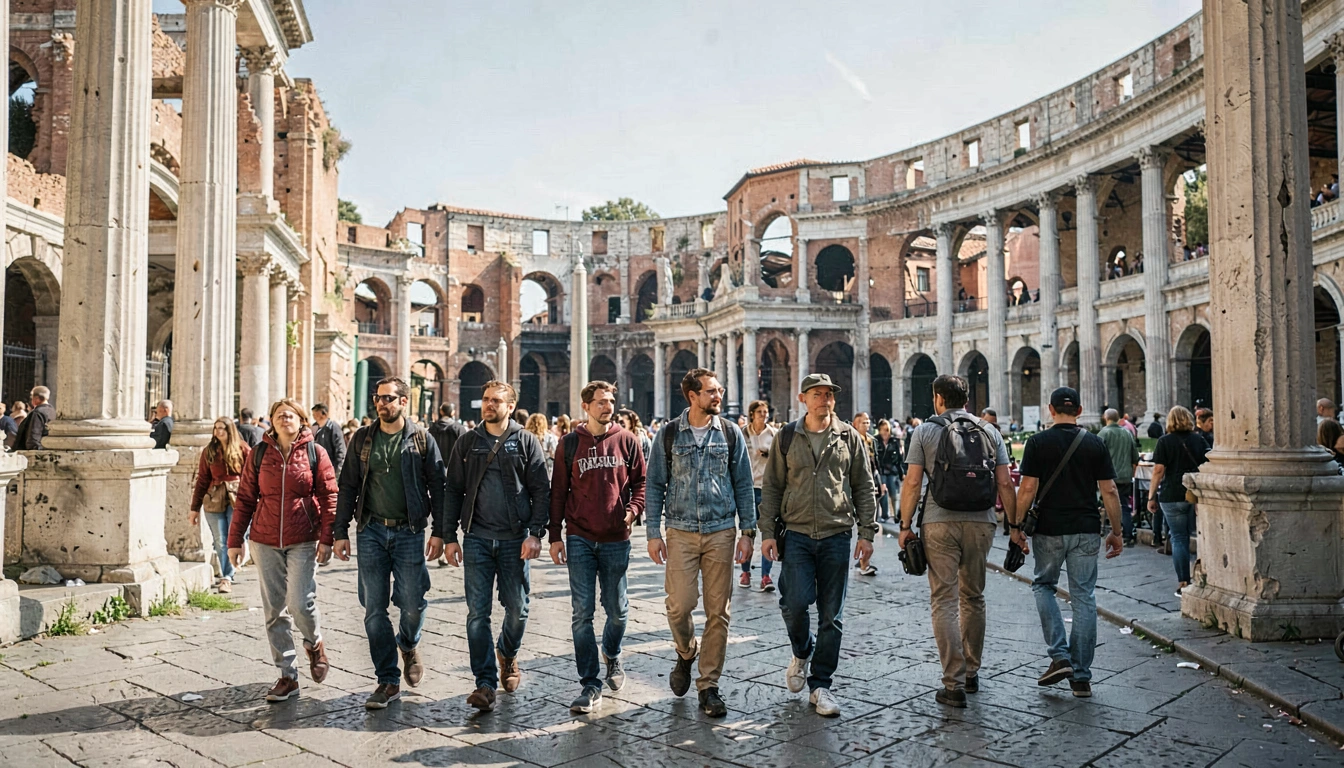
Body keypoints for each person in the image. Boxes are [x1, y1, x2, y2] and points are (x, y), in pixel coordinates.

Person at [760, 373, 876, 718]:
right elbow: (772, 488)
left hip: (836, 534)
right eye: (817, 394)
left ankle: (821, 683)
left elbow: (864, 487)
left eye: (829, 394)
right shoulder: (786, 437)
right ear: (803, 398)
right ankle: (801, 650)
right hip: (795, 533)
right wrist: (767, 531)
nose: (824, 399)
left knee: (832, 616)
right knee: (793, 603)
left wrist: (867, 533)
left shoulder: (849, 437)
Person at [897, 375, 1015, 708]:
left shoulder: (925, 431)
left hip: (938, 521)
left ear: (937, 398)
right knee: (974, 597)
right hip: (982, 522)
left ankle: (953, 683)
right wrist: (1016, 526)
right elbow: (1006, 484)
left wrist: (904, 526)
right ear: (967, 400)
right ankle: (972, 673)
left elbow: (912, 482)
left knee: (944, 600)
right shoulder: (990, 431)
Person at [646, 368, 755, 718]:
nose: (718, 396)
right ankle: (686, 651)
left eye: (719, 390)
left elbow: (743, 484)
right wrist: (652, 532)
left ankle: (709, 685)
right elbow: (653, 486)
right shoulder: (668, 435)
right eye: (710, 391)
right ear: (692, 396)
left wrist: (748, 532)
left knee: (718, 612)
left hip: (722, 530)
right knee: (679, 605)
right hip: (679, 530)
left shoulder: (731, 433)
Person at [332, 377, 446, 710]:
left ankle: (408, 644)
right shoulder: (363, 439)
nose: (382, 403)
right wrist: (341, 531)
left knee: (412, 603)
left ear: (404, 401)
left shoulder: (422, 440)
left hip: (409, 531)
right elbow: (348, 485)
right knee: (373, 609)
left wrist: (441, 532)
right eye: (378, 398)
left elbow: (438, 487)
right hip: (371, 531)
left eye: (389, 398)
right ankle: (387, 680)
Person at [441, 380, 550, 713]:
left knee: (518, 609)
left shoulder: (527, 441)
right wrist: (448, 537)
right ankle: (484, 683)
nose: (489, 405)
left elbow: (541, 491)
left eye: (496, 401)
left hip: (515, 539)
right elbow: (452, 491)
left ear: (511, 405)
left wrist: (535, 533)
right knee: (477, 614)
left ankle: (508, 652)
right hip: (475, 537)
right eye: (486, 399)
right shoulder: (467, 442)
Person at [1014, 387, 1123, 699]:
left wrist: (1016, 527)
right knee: (1084, 597)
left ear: (1050, 410)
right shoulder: (1095, 442)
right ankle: (1081, 677)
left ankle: (1059, 655)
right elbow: (1110, 490)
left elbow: (1027, 489)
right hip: (1087, 528)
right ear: (1080, 409)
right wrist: (1116, 531)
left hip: (1049, 528)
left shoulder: (1037, 442)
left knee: (1043, 586)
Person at [227, 399, 338, 703]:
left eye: (290, 415)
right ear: (272, 422)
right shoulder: (260, 453)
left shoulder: (316, 453)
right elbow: (246, 497)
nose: (284, 419)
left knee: (300, 603)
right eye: (279, 415)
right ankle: (287, 675)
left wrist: (327, 538)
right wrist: (235, 540)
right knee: (274, 609)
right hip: (264, 540)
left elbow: (329, 496)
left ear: (302, 421)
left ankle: (314, 644)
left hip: (303, 538)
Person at [548, 381, 647, 713]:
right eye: (602, 402)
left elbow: (641, 483)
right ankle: (590, 682)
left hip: (616, 539)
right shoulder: (569, 443)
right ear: (586, 406)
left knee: (618, 611)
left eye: (611, 401)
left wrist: (632, 511)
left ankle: (613, 654)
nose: (609, 407)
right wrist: (555, 536)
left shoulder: (628, 440)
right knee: (582, 613)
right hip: (579, 537)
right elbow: (558, 493)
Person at [1147, 406, 1208, 596]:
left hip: (1171, 494)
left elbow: (1158, 471)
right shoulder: (1199, 439)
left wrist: (1151, 496)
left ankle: (1183, 582)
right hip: (1194, 494)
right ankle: (1204, 577)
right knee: (1198, 536)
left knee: (1178, 538)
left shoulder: (1165, 441)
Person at [191, 417, 251, 593]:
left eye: (222, 428)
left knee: (234, 538)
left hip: (238, 498)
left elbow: (253, 477)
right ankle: (227, 575)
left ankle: (227, 576)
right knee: (220, 540)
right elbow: (202, 480)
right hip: (214, 498)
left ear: (230, 430)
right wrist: (194, 508)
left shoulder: (243, 449)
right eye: (216, 428)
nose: (218, 431)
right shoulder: (209, 451)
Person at [740, 400, 778, 591]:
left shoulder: (773, 434)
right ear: (752, 414)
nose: (764, 415)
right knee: (747, 532)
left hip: (766, 488)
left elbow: (779, 458)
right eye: (760, 412)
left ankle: (766, 576)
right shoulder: (743, 433)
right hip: (747, 488)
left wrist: (767, 453)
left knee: (768, 533)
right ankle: (745, 572)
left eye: (766, 412)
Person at [1099, 409, 1141, 546]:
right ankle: (1128, 534)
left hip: (1108, 477)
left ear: (1106, 418)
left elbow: (1095, 457)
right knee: (1124, 506)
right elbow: (1135, 457)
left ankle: (1114, 531)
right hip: (1125, 476)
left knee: (1109, 504)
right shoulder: (1127, 433)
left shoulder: (1103, 433)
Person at [851, 412, 883, 576]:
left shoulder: (871, 441)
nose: (867, 425)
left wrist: (881, 483)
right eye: (863, 422)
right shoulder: (851, 440)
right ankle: (864, 562)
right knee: (863, 523)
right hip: (858, 486)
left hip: (871, 485)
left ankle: (864, 562)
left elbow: (876, 464)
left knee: (869, 522)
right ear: (855, 425)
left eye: (868, 422)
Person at [875, 420, 903, 526]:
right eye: (883, 430)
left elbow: (899, 459)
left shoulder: (895, 441)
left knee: (894, 493)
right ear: (879, 430)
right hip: (881, 470)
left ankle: (896, 515)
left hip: (892, 470)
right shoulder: (876, 440)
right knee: (883, 492)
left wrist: (901, 473)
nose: (885, 432)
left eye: (887, 430)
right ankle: (885, 515)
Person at [310, 404, 347, 477]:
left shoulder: (333, 427)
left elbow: (340, 450)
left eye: (316, 413)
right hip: (318, 470)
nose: (313, 416)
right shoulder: (314, 427)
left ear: (323, 414)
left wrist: (337, 473)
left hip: (331, 469)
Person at [13, 386, 55, 451]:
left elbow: (33, 437)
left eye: (31, 397)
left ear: (37, 398)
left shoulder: (37, 413)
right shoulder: (53, 411)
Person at [526, 412, 560, 478]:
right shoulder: (550, 437)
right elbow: (555, 453)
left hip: (528, 470)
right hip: (545, 468)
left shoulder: (525, 437)